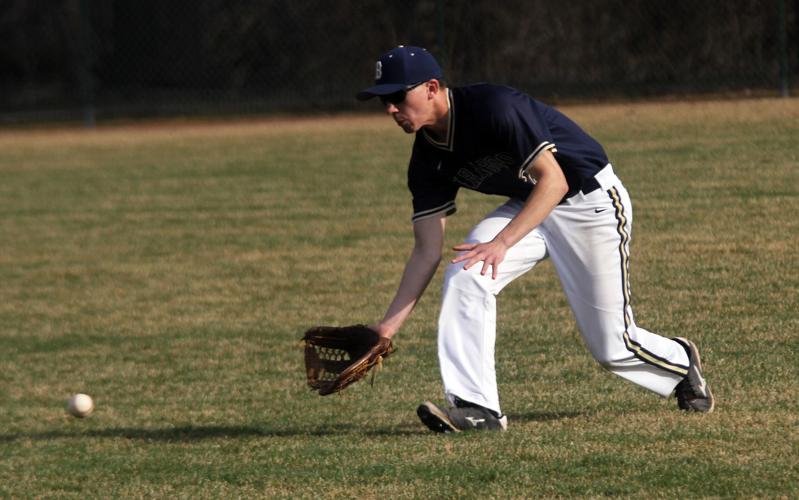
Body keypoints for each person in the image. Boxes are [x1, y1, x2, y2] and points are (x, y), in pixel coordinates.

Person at [356, 45, 714, 433]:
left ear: (430, 87)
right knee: (466, 271)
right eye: (383, 101)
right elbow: (427, 250)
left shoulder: (494, 106)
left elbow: (555, 180)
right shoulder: (427, 160)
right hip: (529, 205)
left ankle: (679, 361)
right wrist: (385, 331)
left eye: (397, 97)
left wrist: (503, 242)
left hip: (587, 201)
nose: (390, 109)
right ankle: (477, 408)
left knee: (612, 347)